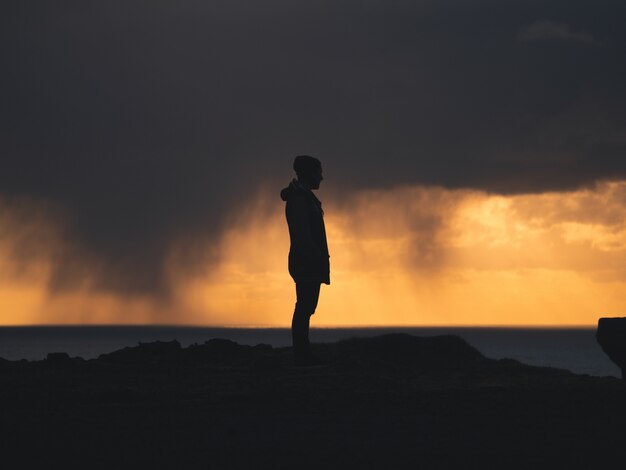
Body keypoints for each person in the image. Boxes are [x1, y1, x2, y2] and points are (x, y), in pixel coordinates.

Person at [280, 155, 330, 366]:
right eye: (319, 172)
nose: (322, 177)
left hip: (307, 260)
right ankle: (301, 353)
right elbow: (302, 234)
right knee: (304, 307)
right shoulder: (300, 199)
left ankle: (302, 351)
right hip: (305, 261)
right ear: (309, 173)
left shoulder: (304, 197)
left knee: (306, 307)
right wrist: (314, 254)